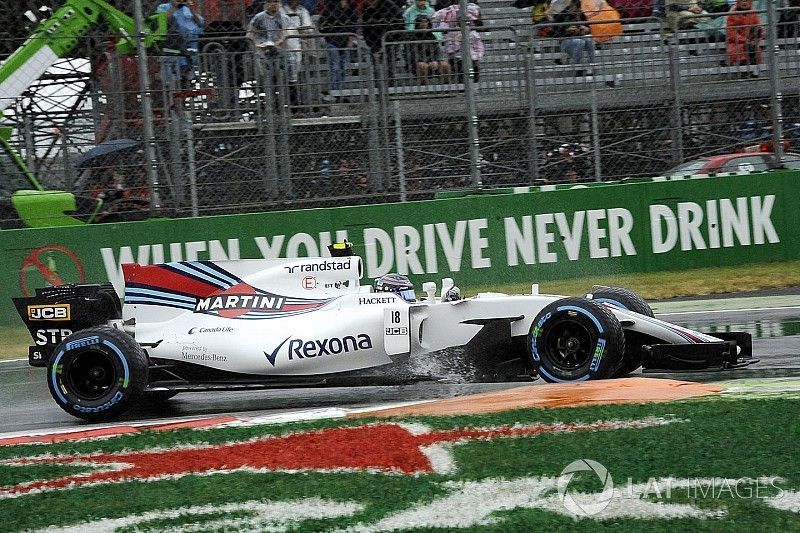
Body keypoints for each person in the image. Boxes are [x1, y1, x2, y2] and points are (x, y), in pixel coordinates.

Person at [155, 0, 205, 87]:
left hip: (190, 44)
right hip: (171, 44)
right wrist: (174, 7)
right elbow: (162, 21)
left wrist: (192, 10)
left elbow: (201, 23)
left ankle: (186, 80)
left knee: (187, 68)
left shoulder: (187, 9)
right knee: (169, 77)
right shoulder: (163, 7)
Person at [433, 0, 484, 83]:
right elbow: (449, 48)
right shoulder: (451, 33)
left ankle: (474, 83)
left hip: (472, 56)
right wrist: (457, 46)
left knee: (474, 66)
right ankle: (463, 85)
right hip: (457, 57)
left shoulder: (473, 33)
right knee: (460, 66)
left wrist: (477, 56)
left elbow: (479, 47)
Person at [318, 0, 359, 94]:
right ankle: (334, 90)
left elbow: (354, 25)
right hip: (332, 41)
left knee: (343, 66)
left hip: (344, 41)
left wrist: (351, 38)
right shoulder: (330, 8)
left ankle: (342, 89)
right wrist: (329, 36)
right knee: (335, 66)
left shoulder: (350, 9)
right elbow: (322, 26)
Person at [280, 0, 315, 105]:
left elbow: (308, 29)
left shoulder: (303, 11)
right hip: (282, 46)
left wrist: (299, 31)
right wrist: (296, 30)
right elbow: (282, 28)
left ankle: (296, 102)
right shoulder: (281, 10)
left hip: (297, 45)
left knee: (295, 75)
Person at [551, 0, 595, 76]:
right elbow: (555, 33)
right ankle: (578, 68)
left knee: (589, 39)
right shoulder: (561, 15)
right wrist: (566, 30)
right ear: (572, 6)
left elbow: (589, 29)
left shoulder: (581, 15)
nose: (578, 12)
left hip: (580, 37)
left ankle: (591, 66)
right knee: (579, 42)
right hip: (565, 40)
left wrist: (586, 29)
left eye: (579, 10)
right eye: (577, 9)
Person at [407, 15, 451, 84]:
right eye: (421, 22)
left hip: (432, 61)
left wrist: (436, 61)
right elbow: (413, 54)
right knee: (422, 65)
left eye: (425, 22)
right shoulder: (412, 36)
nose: (424, 24)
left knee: (445, 65)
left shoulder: (431, 36)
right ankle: (423, 86)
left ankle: (446, 85)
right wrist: (427, 62)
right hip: (417, 63)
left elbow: (437, 50)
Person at [726, 0, 763, 77]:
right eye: (742, 1)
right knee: (742, 50)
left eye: (746, 1)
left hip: (751, 42)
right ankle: (745, 72)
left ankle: (752, 70)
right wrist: (746, 40)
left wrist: (754, 40)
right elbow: (731, 33)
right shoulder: (732, 15)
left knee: (754, 48)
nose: (744, 3)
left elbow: (760, 28)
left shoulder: (753, 13)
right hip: (736, 43)